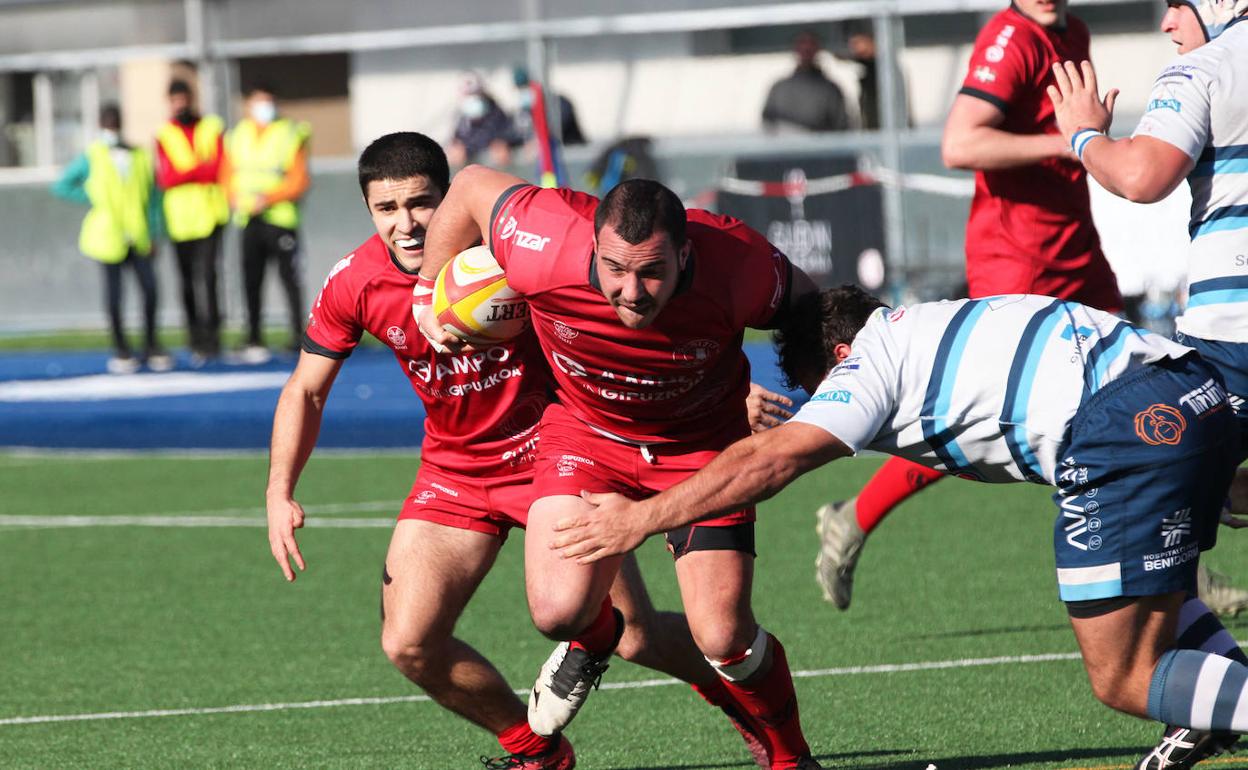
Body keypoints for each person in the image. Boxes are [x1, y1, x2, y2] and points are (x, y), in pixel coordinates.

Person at [552, 286, 1248, 770]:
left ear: (838, 353)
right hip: (1186, 389)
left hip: (1117, 431)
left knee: (1123, 674)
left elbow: (772, 462)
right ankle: (1219, 695)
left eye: (813, 386)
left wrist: (640, 518)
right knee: (1161, 604)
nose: (818, 403)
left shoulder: (868, 360)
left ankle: (1222, 701)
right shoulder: (935, 320)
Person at [266, 132, 772, 770]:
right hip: (456, 469)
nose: (406, 224)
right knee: (408, 642)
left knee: (639, 636)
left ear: (449, 198)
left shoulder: (513, 256)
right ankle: (537, 752)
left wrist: (733, 390)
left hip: (560, 454)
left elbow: (637, 315)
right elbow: (306, 391)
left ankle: (734, 702)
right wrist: (279, 489)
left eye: (421, 203)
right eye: (385, 210)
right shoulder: (355, 281)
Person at [415, 168, 822, 770]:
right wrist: (426, 292)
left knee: (724, 640)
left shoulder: (741, 264)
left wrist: (811, 396)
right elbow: (471, 185)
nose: (632, 291)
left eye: (653, 271)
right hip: (587, 437)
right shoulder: (542, 237)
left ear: (686, 253)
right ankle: (596, 637)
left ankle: (791, 759)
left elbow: (814, 315)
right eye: (615, 269)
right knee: (556, 611)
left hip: (702, 448)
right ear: (593, 247)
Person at [812, 0, 1125, 616]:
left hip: (1078, 253)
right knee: (981, 423)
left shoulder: (1074, 30)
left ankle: (1181, 573)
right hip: (1019, 262)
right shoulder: (1011, 37)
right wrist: (1063, 142)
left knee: (1139, 400)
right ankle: (854, 517)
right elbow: (960, 142)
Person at [52, 103, 170, 374]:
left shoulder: (139, 155)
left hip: (138, 235)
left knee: (150, 291)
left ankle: (151, 344)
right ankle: (122, 348)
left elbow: (151, 196)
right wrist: (92, 197)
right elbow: (62, 185)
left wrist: (154, 231)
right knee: (115, 295)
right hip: (109, 236)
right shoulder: (93, 156)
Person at [224, 82, 311, 363]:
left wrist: (270, 197)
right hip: (249, 218)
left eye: (270, 101)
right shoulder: (237, 135)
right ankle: (254, 337)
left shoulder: (289, 133)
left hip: (280, 218)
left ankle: (299, 337)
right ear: (248, 104)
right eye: (260, 101)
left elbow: (299, 179)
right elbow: (227, 174)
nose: (265, 108)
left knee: (290, 279)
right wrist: (232, 197)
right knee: (251, 280)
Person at [155, 79, 229, 364]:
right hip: (180, 220)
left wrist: (188, 172)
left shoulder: (211, 127)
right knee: (186, 282)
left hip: (210, 215)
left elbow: (219, 168)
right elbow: (167, 177)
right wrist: (199, 169)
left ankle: (213, 338)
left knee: (210, 278)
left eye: (183, 99)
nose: (180, 105)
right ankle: (194, 336)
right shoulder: (165, 134)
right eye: (175, 100)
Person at [762, 30, 851, 133]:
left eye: (811, 44)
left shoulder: (831, 90)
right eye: (802, 43)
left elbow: (842, 129)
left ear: (818, 49)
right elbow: (767, 124)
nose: (806, 49)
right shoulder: (779, 88)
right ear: (796, 49)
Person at [446, 73, 522, 169]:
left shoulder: (496, 113)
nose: (472, 99)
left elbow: (509, 136)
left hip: (492, 165)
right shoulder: (462, 117)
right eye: (468, 95)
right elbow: (457, 140)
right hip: (472, 162)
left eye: (474, 94)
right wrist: (458, 147)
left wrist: (503, 142)